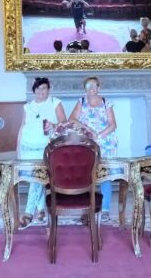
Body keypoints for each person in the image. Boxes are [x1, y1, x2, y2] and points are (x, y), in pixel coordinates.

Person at [17, 77, 67, 228]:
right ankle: (40, 210)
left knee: (36, 178)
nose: (41, 92)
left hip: (45, 147)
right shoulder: (28, 106)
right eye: (38, 89)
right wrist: (17, 148)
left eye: (44, 88)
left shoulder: (55, 102)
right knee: (36, 178)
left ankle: (28, 213)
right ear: (34, 91)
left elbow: (65, 123)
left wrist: (54, 125)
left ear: (48, 89)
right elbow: (22, 127)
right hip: (28, 147)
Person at [69, 76, 117, 219]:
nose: (91, 89)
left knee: (104, 176)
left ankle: (106, 210)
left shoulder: (106, 103)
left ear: (98, 88)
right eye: (88, 86)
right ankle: (84, 208)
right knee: (84, 175)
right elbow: (71, 120)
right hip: (86, 143)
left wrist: (99, 136)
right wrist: (86, 129)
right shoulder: (81, 101)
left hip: (105, 143)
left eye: (94, 86)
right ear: (85, 89)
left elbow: (113, 124)